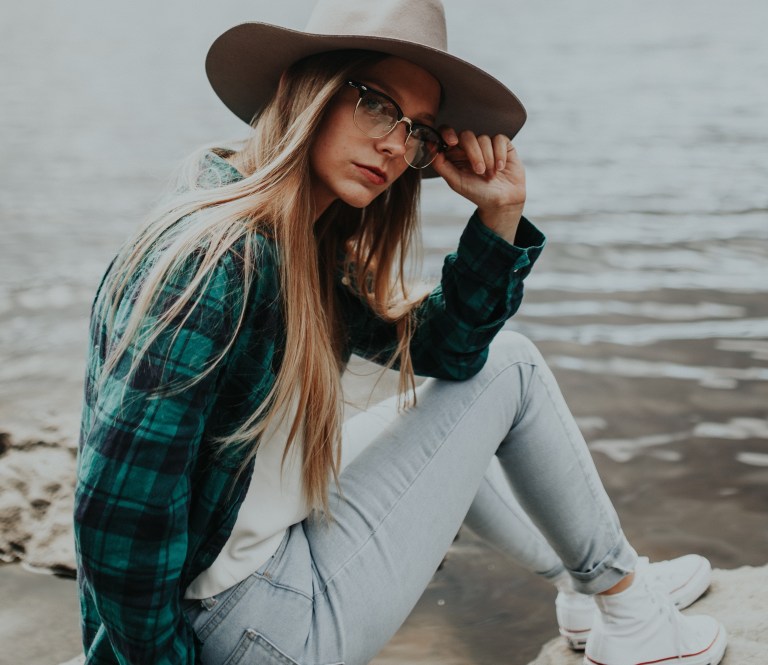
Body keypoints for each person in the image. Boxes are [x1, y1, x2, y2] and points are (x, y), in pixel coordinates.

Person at [73, 1, 728, 664]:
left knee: (459, 396)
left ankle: (592, 584)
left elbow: (448, 355)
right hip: (244, 629)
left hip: (242, 586)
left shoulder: (292, 238)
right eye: (377, 104)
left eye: (416, 129)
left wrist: (500, 213)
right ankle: (628, 604)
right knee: (515, 365)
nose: (395, 143)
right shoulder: (223, 263)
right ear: (312, 91)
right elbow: (116, 519)